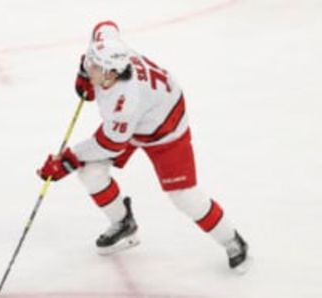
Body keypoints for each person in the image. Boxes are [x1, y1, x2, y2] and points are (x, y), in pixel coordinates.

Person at [37, 20, 249, 272]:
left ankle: (231, 240)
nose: (89, 65)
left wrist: (68, 160)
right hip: (138, 119)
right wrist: (85, 72)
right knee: (92, 173)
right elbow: (105, 26)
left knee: (184, 196)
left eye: (94, 66)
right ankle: (123, 223)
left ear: (111, 74)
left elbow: (109, 144)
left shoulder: (124, 103)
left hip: (165, 130)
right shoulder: (110, 55)